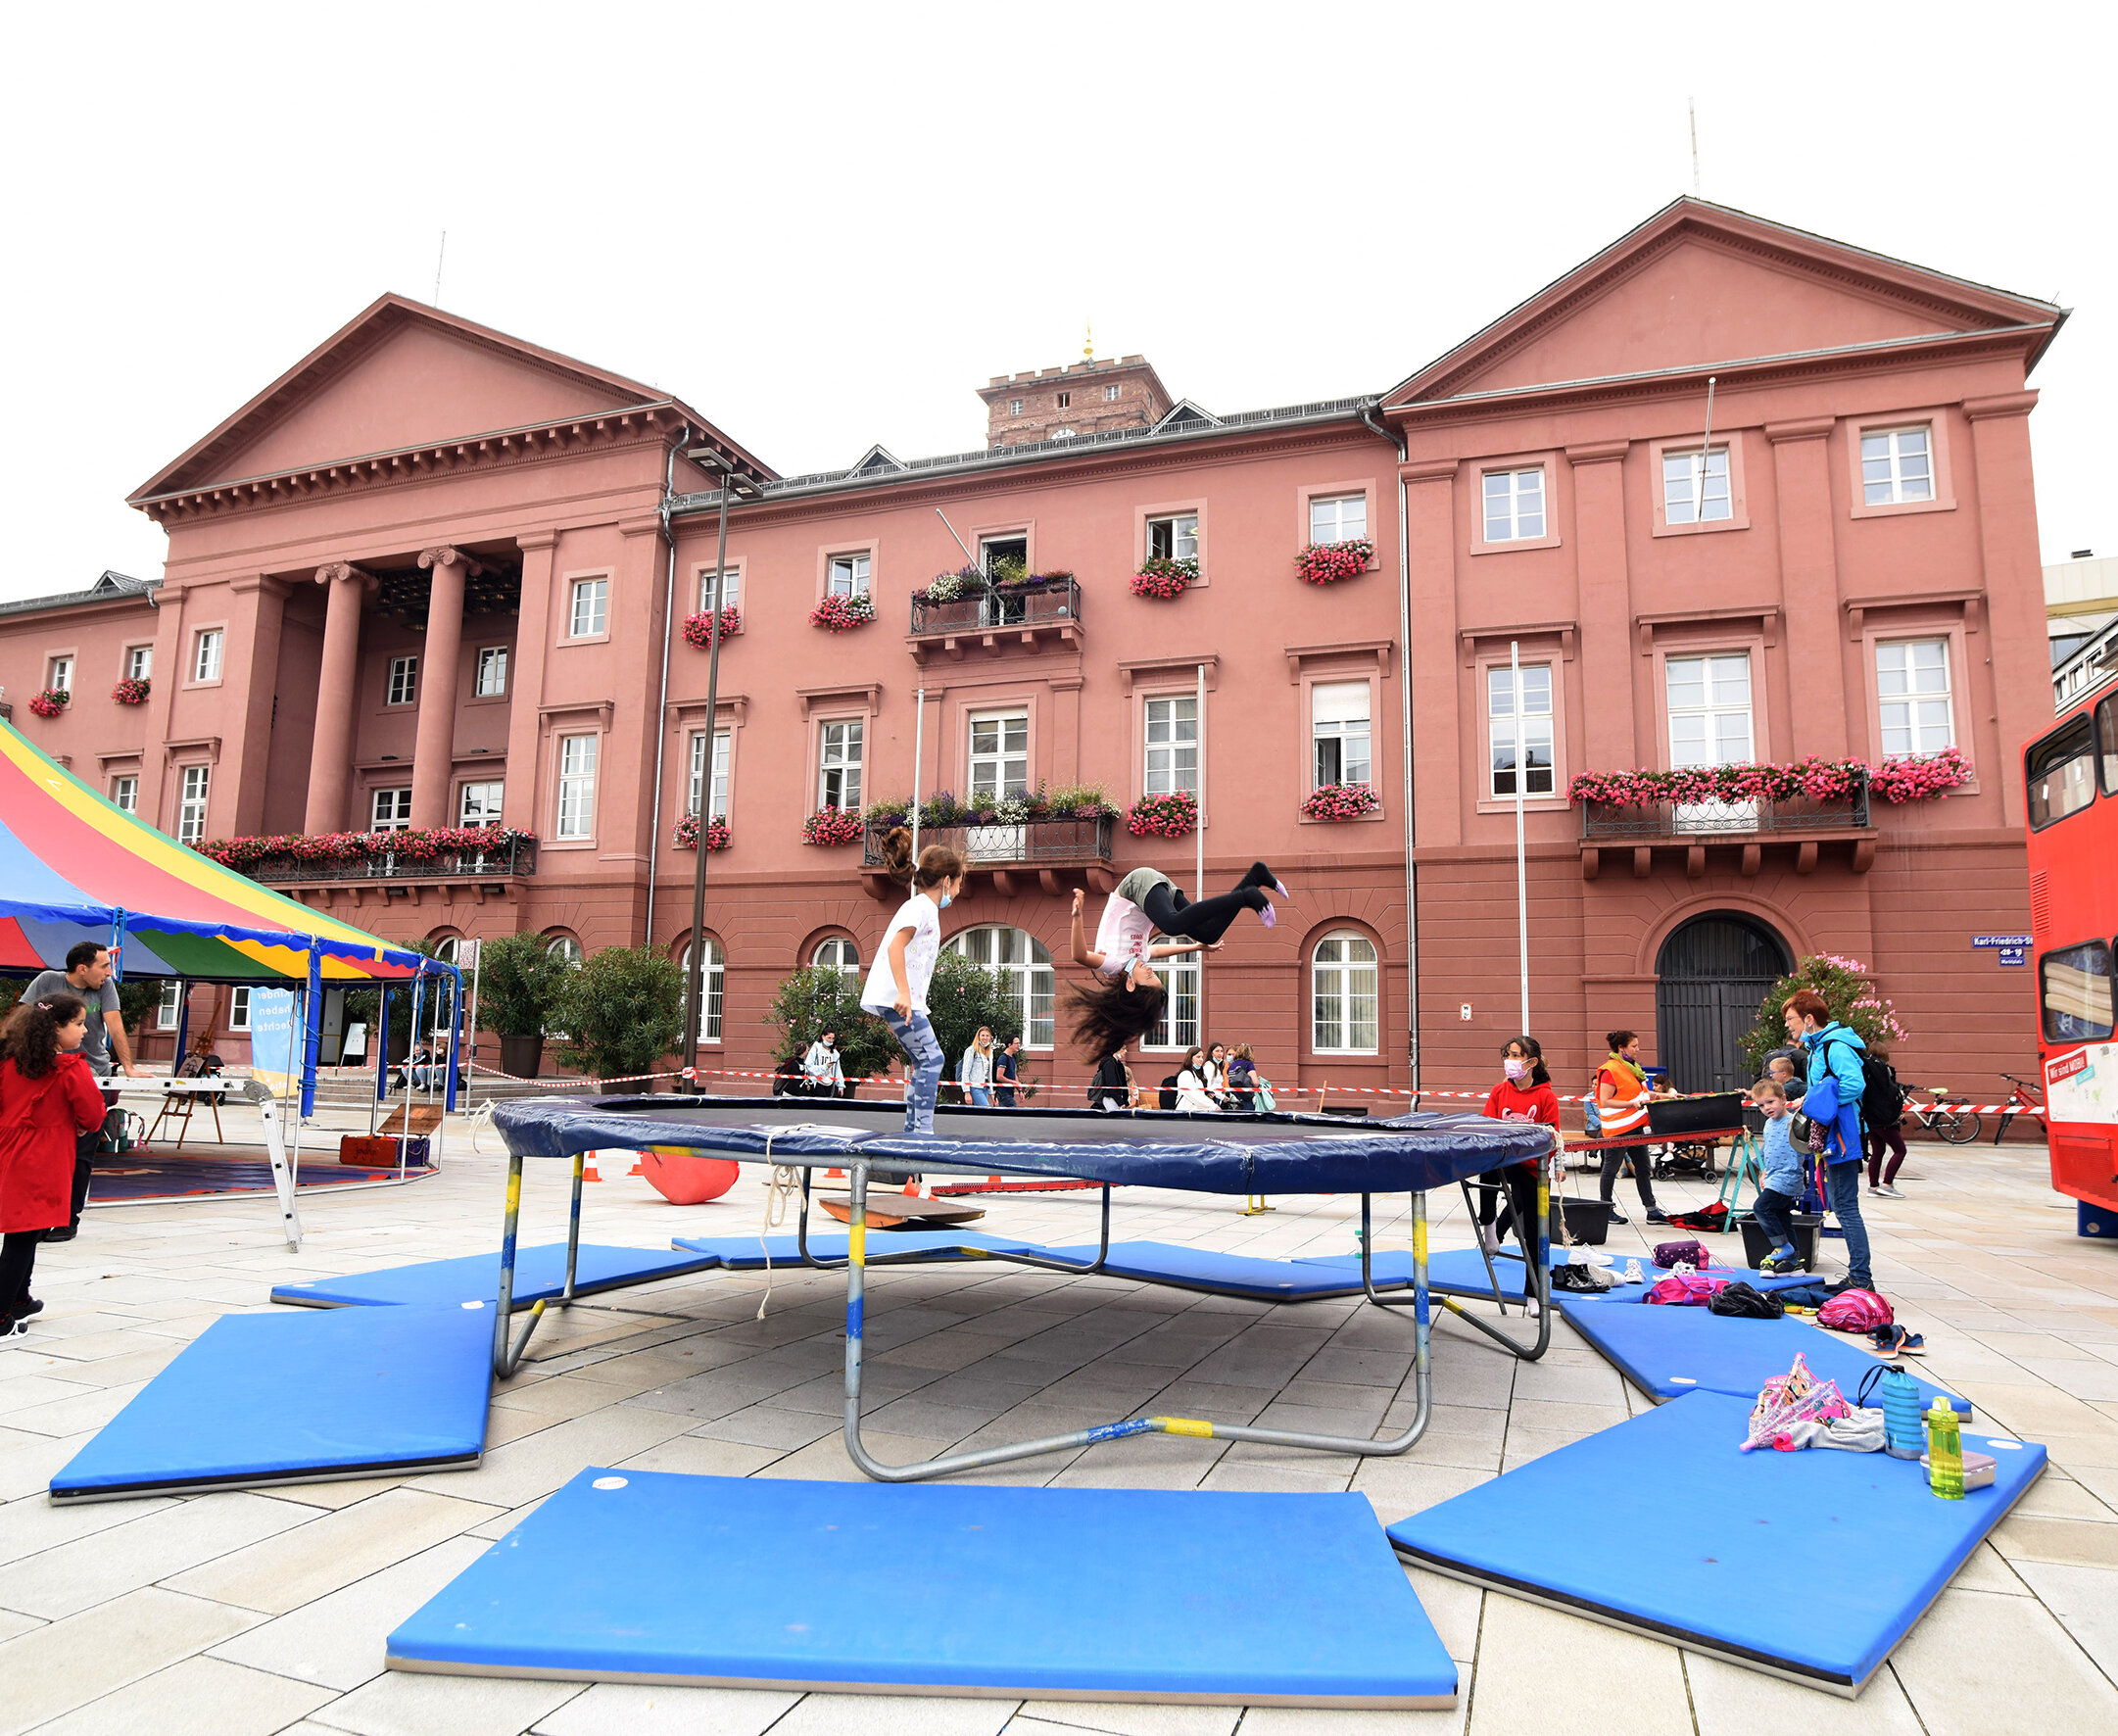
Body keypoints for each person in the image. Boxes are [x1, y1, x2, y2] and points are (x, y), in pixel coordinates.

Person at [1064, 866, 1287, 1063]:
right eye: (1154, 975)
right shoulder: (1139, 959)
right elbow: (1157, 950)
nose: (1150, 970)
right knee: (1209, 933)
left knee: (1171, 925)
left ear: (1131, 985)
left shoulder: (1112, 964)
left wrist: (1077, 916)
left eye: (1149, 977)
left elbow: (1080, 955)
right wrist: (1196, 947)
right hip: (1156, 895)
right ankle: (1255, 877)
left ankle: (1246, 896)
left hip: (1136, 887)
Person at [0, 993, 109, 1334]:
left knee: (24, 1232)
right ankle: (2, 1316)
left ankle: (19, 1299)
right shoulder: (69, 1067)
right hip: (42, 1158)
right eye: (78, 1023)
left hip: (8, 1151)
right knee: (22, 1236)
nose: (84, 1030)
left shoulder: (8, 1061)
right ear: (56, 1028)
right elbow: (93, 1116)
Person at [24, 942, 139, 1244]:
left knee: (81, 1152)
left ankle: (66, 1219)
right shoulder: (48, 981)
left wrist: (128, 1067)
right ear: (82, 968)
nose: (108, 972)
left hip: (92, 1074)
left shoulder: (105, 987)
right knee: (44, 1149)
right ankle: (37, 1217)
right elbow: (22, 1020)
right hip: (49, 1075)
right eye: (104, 966)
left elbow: (114, 1025)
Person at [858, 829, 967, 1136]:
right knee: (933, 1058)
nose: (957, 892)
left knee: (926, 1060)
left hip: (903, 998)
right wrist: (905, 993)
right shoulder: (921, 908)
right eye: (959, 884)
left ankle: (913, 1131)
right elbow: (896, 946)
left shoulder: (924, 909)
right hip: (898, 998)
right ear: (947, 881)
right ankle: (920, 1133)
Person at [1784, 989, 1874, 1294]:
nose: (1788, 1025)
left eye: (1791, 1019)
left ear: (1808, 1019)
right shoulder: (1820, 1047)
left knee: (1846, 1207)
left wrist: (1817, 1105)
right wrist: (1808, 1100)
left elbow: (1853, 1085)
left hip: (1843, 1135)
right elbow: (1826, 1089)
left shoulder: (1834, 1047)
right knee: (1842, 1203)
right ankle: (1859, 1275)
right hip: (1836, 1133)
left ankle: (1861, 1277)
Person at [1479, 1036, 1562, 1257]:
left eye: (1516, 1056)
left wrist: (1557, 1165)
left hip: (1532, 1165)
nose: (1510, 1061)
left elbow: (1554, 1136)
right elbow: (1487, 1125)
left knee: (1532, 1225)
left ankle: (1533, 1287)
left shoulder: (1546, 1096)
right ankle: (1489, 1227)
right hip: (1504, 1159)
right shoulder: (1499, 1091)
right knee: (1485, 1170)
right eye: (1507, 1056)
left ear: (1532, 1062)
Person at [1594, 1030, 1669, 1227]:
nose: (1638, 1049)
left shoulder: (1633, 1068)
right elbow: (1605, 1100)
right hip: (1617, 1129)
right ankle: (1606, 1208)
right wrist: (1631, 1104)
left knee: (1644, 1168)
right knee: (1610, 1169)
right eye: (1634, 1046)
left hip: (1635, 1126)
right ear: (1622, 1048)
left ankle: (1652, 1211)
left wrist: (1666, 1096)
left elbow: (1642, 1094)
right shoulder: (1610, 1070)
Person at [1747, 1077, 1807, 1273]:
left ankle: (1783, 1246)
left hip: (1788, 1176)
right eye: (1761, 1105)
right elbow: (1768, 1151)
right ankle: (1793, 1261)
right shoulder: (1768, 1125)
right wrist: (1764, 1171)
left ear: (1783, 1099)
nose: (1767, 1108)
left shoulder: (1794, 1121)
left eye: (1770, 1102)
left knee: (1761, 1208)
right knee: (1782, 1217)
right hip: (1775, 1177)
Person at [1863, 1047, 1908, 1198]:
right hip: (1885, 1118)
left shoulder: (1867, 1070)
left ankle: (1873, 1186)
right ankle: (1887, 1184)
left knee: (1878, 1151)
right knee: (1900, 1150)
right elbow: (1889, 1093)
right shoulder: (1885, 1071)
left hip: (1870, 1116)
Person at [1173, 1046, 1218, 1113]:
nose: (1201, 1059)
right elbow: (1193, 1095)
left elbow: (1199, 1094)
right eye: (1198, 1057)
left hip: (1196, 1111)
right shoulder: (1185, 1074)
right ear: (1190, 1058)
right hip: (1185, 1113)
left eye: (1202, 1057)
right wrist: (1213, 1106)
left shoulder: (1198, 1074)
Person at [958, 1027, 995, 1107]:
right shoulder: (971, 1050)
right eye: (982, 1035)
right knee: (986, 1110)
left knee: (981, 1114)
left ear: (990, 1038)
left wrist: (991, 1092)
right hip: (974, 1087)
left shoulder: (990, 1052)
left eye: (987, 1036)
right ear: (978, 1037)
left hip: (985, 1086)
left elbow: (989, 1074)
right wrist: (967, 1092)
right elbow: (965, 1072)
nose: (985, 1038)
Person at [802, 1031, 844, 1098]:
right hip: (817, 1081)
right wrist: (825, 1067)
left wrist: (840, 1086)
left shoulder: (835, 1053)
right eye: (829, 1038)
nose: (831, 1040)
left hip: (829, 1082)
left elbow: (838, 1070)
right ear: (823, 1036)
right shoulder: (815, 1049)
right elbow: (809, 1066)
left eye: (833, 1038)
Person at [1224, 1043, 1258, 1112]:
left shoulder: (1232, 1065)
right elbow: (1255, 1082)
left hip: (1234, 1096)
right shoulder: (1248, 1064)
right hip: (1246, 1096)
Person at [993, 1036, 1021, 1107]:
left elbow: (1014, 1073)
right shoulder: (1003, 1058)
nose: (1018, 1045)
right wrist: (1013, 1082)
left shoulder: (1012, 1057)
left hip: (1010, 1092)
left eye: (1019, 1043)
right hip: (1003, 1093)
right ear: (1009, 1045)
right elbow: (999, 1077)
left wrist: (1020, 1090)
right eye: (1016, 1043)